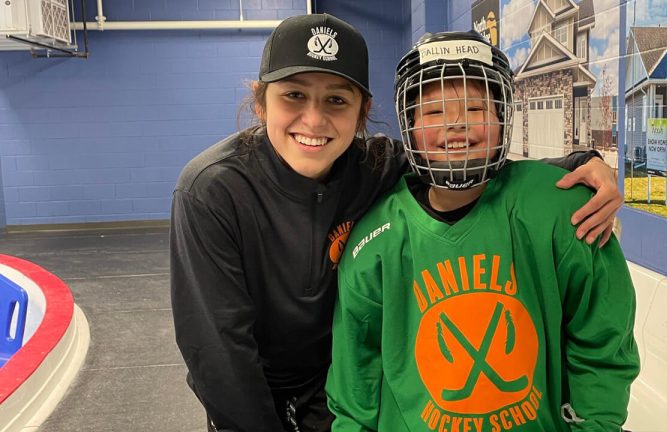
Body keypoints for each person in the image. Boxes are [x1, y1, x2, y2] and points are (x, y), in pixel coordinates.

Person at [170, 14, 623, 432]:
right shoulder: (212, 190)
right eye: (293, 95)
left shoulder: (374, 165)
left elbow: (459, 159)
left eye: (336, 99)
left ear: (362, 113)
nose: (314, 118)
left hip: (332, 388)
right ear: (261, 102)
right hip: (253, 398)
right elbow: (218, 350)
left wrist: (583, 161)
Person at [326, 31, 640, 431]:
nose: (456, 125)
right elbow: (356, 381)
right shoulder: (375, 241)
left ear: (501, 117)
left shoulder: (563, 212)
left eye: (475, 108)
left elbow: (603, 344)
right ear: (410, 127)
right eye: (435, 112)